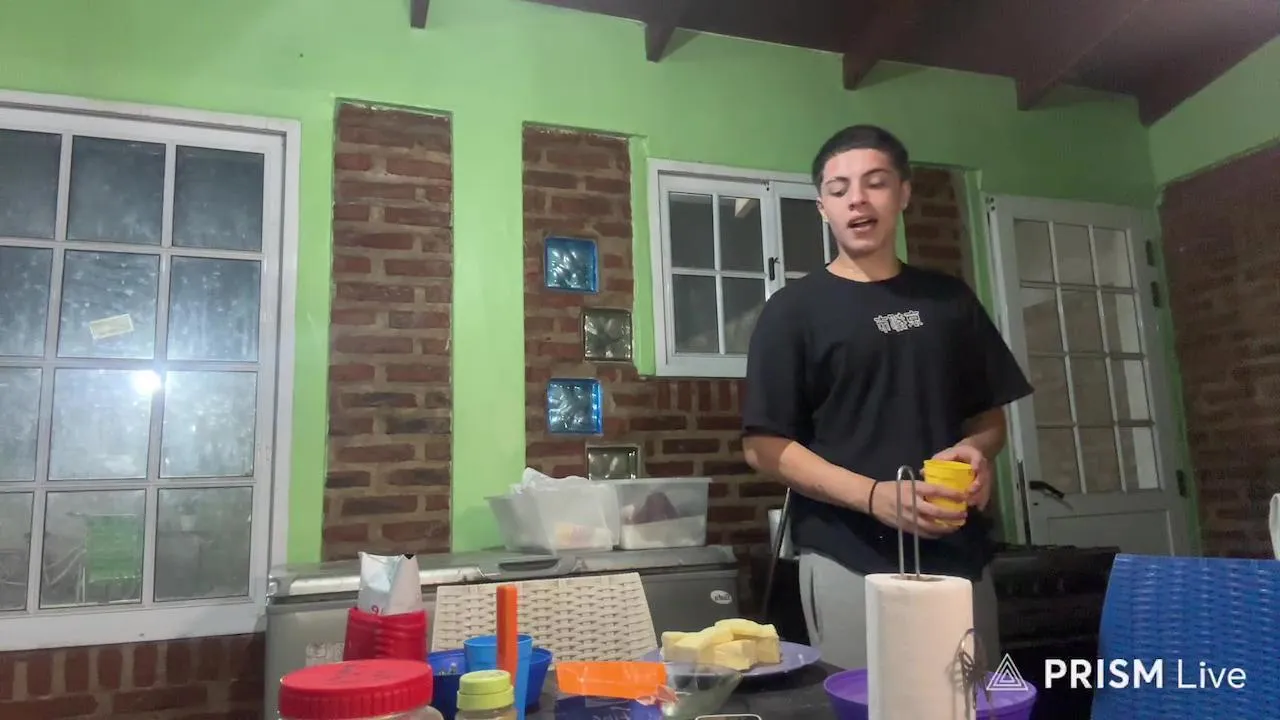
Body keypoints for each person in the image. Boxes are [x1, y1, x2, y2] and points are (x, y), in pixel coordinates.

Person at [741, 124, 1033, 671]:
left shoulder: (949, 300)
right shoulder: (792, 311)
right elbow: (763, 446)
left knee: (973, 702)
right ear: (823, 208)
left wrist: (978, 451)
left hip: (959, 555)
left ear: (903, 194)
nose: (857, 199)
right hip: (848, 556)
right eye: (839, 189)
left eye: (875, 183)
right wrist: (875, 496)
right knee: (870, 702)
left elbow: (988, 416)